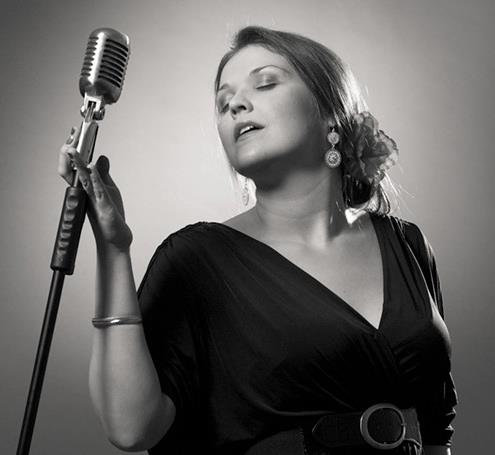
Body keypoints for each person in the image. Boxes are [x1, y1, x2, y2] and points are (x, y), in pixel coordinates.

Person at [57, 25, 458, 455]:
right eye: (223, 102)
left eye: (265, 83)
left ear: (331, 110)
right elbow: (132, 428)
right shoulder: (195, 260)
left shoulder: (406, 243)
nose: (235, 105)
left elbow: (436, 428)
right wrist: (113, 250)